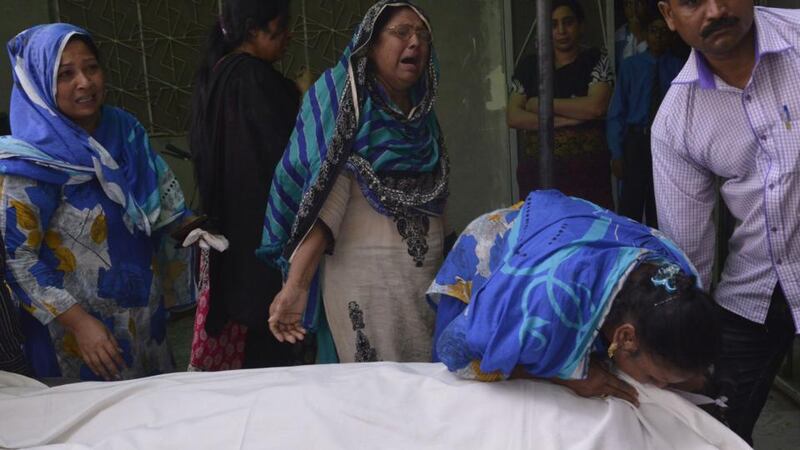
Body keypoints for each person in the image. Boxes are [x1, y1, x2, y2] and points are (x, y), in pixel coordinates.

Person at [259, 0, 448, 363]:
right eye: (401, 33)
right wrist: (296, 285)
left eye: (423, 35)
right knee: (372, 391)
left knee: (422, 391)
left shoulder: (424, 119)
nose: (415, 43)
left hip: (423, 283)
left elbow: (439, 199)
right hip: (364, 280)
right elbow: (325, 202)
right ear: (371, 45)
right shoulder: (346, 104)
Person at [0, 24, 191, 381]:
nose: (84, 82)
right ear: (38, 81)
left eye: (91, 68)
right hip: (75, 339)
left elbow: (163, 201)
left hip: (145, 323)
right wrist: (80, 324)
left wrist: (191, 228)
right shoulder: (28, 165)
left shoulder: (124, 131)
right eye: (65, 74)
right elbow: (17, 260)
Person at [653, 1, 800, 444]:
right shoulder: (678, 120)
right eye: (692, 2)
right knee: (708, 430)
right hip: (756, 287)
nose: (715, 10)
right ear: (669, 15)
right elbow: (687, 258)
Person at [428, 190, 720, 405]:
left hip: (567, 233)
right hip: (497, 251)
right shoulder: (540, 304)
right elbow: (455, 352)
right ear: (626, 338)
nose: (657, 386)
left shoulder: (679, 276)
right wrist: (560, 377)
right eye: (656, 378)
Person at [190, 0, 304, 370]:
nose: (289, 35)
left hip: (235, 245)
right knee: (275, 344)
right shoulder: (254, 78)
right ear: (254, 29)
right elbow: (285, 159)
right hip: (262, 245)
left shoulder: (218, 74)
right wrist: (302, 97)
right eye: (281, 25)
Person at [507, 0, 614, 208]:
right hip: (538, 175)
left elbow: (596, 107)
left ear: (581, 26)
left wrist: (539, 104)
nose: (561, 31)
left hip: (587, 176)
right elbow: (513, 117)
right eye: (553, 24)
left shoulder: (595, 60)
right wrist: (568, 119)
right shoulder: (529, 66)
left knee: (588, 234)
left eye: (568, 22)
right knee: (544, 234)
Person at [606, 16, 684, 228]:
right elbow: (617, 111)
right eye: (653, 30)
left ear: (670, 36)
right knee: (630, 206)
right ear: (646, 34)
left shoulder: (677, 67)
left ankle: (657, 258)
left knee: (659, 207)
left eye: (663, 32)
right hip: (636, 141)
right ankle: (630, 255)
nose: (658, 36)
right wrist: (617, 153)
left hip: (665, 143)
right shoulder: (631, 67)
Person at [615, 0, 650, 75]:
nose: (634, 9)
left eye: (638, 3)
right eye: (628, 4)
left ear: (646, 5)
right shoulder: (617, 36)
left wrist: (639, 36)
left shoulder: (654, 31)